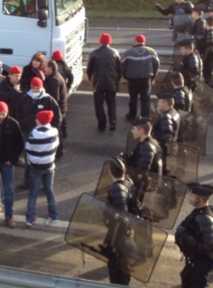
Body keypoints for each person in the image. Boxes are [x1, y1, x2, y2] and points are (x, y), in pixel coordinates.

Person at [15, 77, 61, 189]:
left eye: (38, 88)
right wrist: (23, 125)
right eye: (33, 88)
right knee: (28, 156)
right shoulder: (25, 98)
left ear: (42, 87)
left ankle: (46, 184)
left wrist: (51, 129)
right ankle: (28, 181)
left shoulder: (48, 99)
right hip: (28, 132)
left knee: (45, 158)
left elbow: (57, 117)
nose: (35, 90)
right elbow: (18, 113)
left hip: (44, 135)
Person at [175, 183, 213, 288]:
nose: (188, 196)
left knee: (198, 284)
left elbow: (208, 246)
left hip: (200, 261)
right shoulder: (204, 212)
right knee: (186, 278)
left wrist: (185, 236)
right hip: (194, 259)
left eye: (192, 195)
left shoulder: (205, 218)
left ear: (200, 200)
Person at [25, 110, 60, 227]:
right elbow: (56, 146)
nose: (35, 120)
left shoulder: (34, 133)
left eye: (37, 118)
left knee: (33, 192)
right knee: (49, 189)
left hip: (35, 167)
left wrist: (30, 160)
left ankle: (30, 219)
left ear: (40, 121)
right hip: (49, 166)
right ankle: (54, 215)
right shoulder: (54, 132)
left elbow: (28, 147)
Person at [106, 157, 137, 286]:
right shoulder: (128, 182)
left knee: (117, 269)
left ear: (110, 172)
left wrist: (115, 243)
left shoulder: (118, 190)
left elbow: (122, 217)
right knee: (125, 266)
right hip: (127, 234)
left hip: (119, 236)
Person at [87, 33, 121, 132]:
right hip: (111, 83)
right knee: (111, 102)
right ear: (110, 42)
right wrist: (116, 80)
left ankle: (102, 125)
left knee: (99, 105)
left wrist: (91, 79)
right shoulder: (115, 52)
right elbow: (119, 69)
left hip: (98, 83)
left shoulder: (94, 53)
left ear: (100, 41)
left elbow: (89, 70)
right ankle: (113, 120)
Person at [121, 34, 159, 121]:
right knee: (145, 99)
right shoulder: (151, 52)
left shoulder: (128, 52)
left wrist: (125, 76)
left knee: (133, 98)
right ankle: (144, 117)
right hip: (146, 79)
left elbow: (122, 66)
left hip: (132, 80)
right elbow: (157, 65)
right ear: (144, 42)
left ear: (135, 42)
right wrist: (153, 77)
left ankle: (132, 115)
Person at [44, 60, 67, 159]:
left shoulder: (54, 80)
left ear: (50, 68)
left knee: (56, 130)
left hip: (57, 110)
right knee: (58, 130)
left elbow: (54, 98)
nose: (44, 69)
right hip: (61, 108)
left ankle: (58, 152)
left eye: (45, 67)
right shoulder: (57, 76)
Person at [202, 17, 213, 86]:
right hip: (210, 57)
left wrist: (204, 58)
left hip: (209, 58)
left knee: (207, 75)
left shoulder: (210, 33)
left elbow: (210, 48)